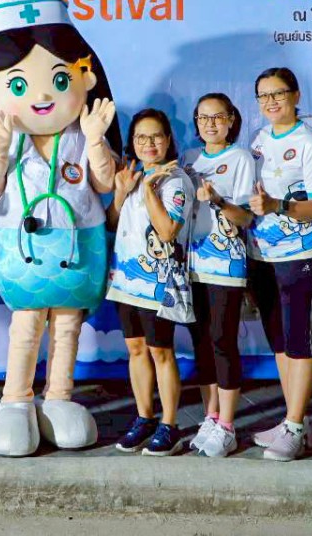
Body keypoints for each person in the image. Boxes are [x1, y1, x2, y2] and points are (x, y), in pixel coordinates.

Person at [0, 0, 122, 457]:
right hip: (22, 247)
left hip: (78, 244)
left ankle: (59, 398)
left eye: (58, 79)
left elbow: (104, 183)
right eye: (18, 84)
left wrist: (96, 141)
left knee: (68, 324)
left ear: (85, 79)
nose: (43, 95)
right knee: (27, 323)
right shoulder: (6, 140)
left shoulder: (82, 134)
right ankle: (16, 400)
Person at [246, 67, 312, 461]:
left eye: (278, 93)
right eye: (263, 95)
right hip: (261, 255)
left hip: (300, 256)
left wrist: (277, 206)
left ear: (296, 96)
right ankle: (294, 420)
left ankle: (296, 426)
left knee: (299, 341)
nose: (270, 102)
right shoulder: (259, 139)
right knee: (279, 342)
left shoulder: (311, 143)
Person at [106, 109, 195, 457]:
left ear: (168, 139)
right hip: (126, 280)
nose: (149, 143)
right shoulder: (132, 174)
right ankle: (144, 417)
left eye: (156, 136)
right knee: (136, 349)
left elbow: (168, 231)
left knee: (160, 351)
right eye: (141, 137)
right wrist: (121, 193)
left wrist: (147, 190)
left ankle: (169, 424)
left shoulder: (176, 181)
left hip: (159, 284)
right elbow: (113, 223)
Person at [182, 93, 256, 458]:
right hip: (191, 266)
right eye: (203, 117)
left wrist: (217, 200)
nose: (210, 124)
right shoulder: (188, 159)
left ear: (231, 120)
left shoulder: (240, 159)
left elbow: (246, 217)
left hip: (225, 265)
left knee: (223, 341)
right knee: (201, 343)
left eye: (218, 117)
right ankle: (210, 417)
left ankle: (227, 425)